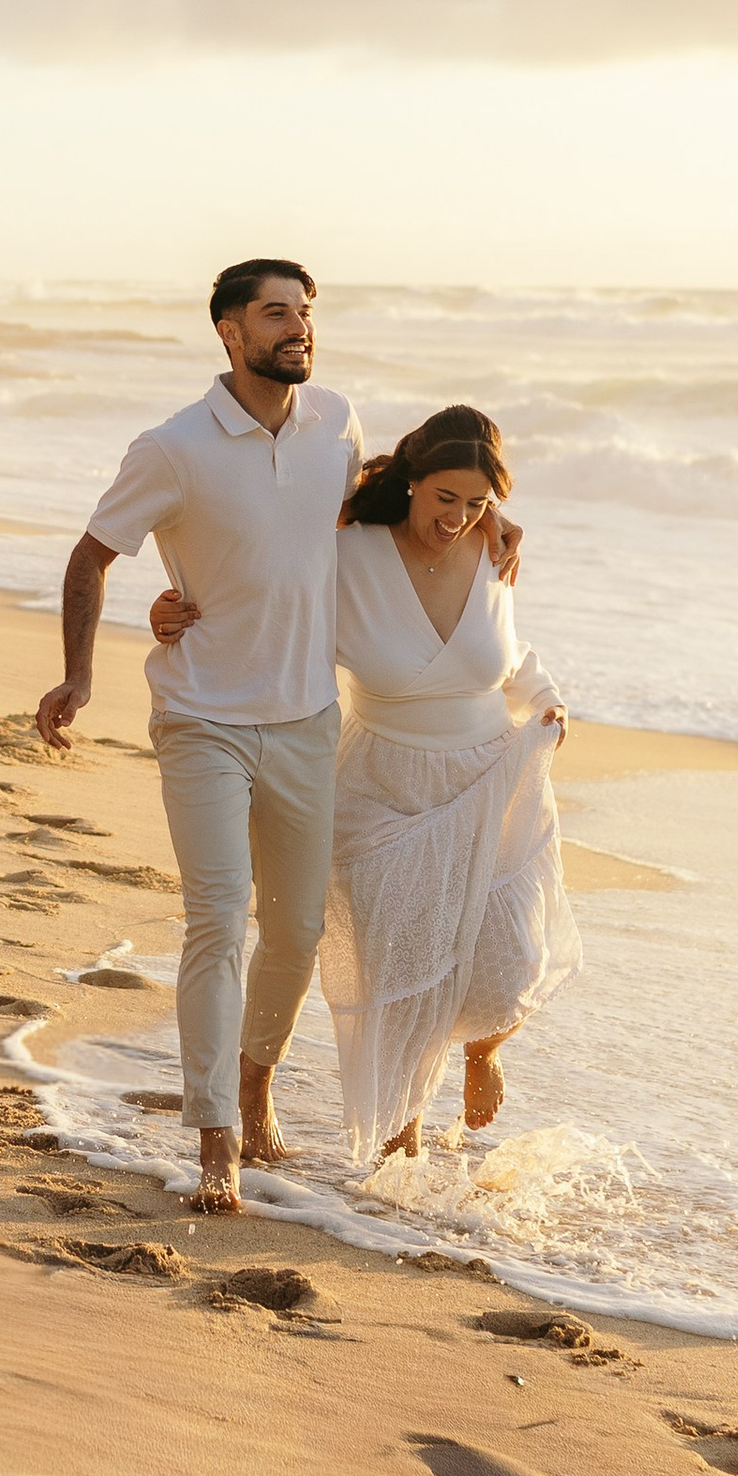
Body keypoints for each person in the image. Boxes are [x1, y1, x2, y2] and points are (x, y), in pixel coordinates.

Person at [35, 266, 516, 1217]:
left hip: (305, 720)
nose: (298, 329)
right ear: (228, 332)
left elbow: (382, 509)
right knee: (217, 918)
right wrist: (84, 672)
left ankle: (253, 1085)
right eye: (275, 314)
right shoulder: (172, 447)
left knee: (295, 930)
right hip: (204, 717)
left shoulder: (336, 422)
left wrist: (494, 516)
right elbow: (92, 553)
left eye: (305, 314)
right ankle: (216, 1134)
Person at [153, 403, 574, 1164]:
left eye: (477, 503)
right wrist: (177, 610)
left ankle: (483, 1052)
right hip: (382, 782)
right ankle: (396, 1140)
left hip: (488, 776)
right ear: (411, 480)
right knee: (402, 973)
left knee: (511, 960)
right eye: (445, 497)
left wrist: (545, 700)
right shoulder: (347, 553)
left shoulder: (492, 547)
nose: (458, 517)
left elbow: (507, 650)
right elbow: (259, 594)